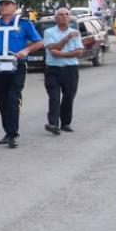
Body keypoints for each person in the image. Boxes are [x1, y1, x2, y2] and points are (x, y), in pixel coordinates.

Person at [0, 0, 43, 148]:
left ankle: (13, 134)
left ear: (15, 7)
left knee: (13, 99)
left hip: (16, 65)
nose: (3, 7)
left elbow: (39, 42)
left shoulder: (24, 23)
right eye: (1, 4)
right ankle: (8, 132)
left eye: (7, 4)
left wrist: (25, 50)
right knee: (2, 100)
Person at [42, 7, 84, 135]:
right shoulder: (49, 32)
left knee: (69, 96)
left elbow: (79, 52)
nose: (64, 16)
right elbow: (53, 49)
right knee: (54, 97)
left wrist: (61, 54)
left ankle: (65, 123)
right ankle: (53, 124)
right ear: (56, 18)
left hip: (70, 70)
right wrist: (67, 38)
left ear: (69, 17)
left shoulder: (75, 32)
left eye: (66, 14)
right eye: (61, 15)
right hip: (53, 70)